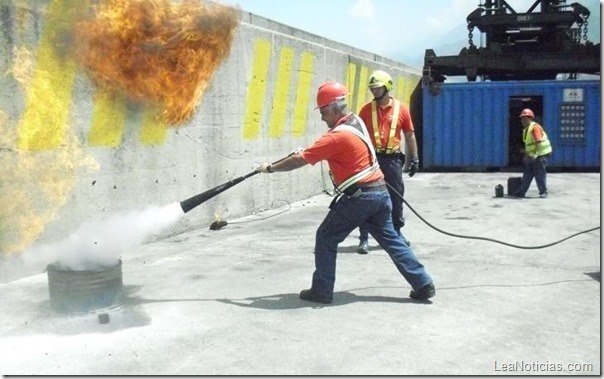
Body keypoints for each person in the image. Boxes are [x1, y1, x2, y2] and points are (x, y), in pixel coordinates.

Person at [255, 81, 435, 304]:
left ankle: (321, 291)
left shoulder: (336, 137)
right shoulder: (355, 122)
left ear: (334, 107)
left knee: (326, 237)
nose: (321, 117)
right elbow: (322, 150)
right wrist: (307, 151)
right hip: (379, 193)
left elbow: (300, 160)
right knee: (392, 240)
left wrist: (270, 168)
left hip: (361, 198)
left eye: (322, 111)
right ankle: (423, 283)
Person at [355, 70, 419, 254]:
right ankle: (364, 237)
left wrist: (414, 158)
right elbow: (359, 136)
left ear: (387, 87)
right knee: (366, 197)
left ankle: (397, 233)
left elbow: (409, 134)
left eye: (377, 88)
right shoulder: (366, 110)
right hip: (372, 160)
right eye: (372, 88)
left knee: (396, 196)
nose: (374, 91)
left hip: (392, 160)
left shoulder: (402, 109)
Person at [512, 108, 553, 198]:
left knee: (539, 173)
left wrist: (535, 154)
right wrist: (527, 154)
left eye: (525, 119)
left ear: (530, 118)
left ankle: (543, 192)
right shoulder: (526, 130)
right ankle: (521, 192)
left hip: (541, 153)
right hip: (533, 154)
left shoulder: (534, 128)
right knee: (528, 173)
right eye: (522, 119)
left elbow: (538, 141)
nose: (523, 121)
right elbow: (529, 145)